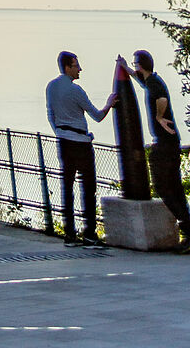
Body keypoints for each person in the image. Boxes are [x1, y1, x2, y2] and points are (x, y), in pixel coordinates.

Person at [133, 49, 190, 250]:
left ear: (140, 65)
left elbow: (161, 99)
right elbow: (142, 82)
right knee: (176, 188)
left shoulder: (154, 83)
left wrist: (159, 117)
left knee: (163, 186)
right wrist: (125, 67)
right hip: (170, 143)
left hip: (163, 144)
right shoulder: (151, 81)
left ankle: (187, 229)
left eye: (135, 64)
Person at [45, 50, 113, 245]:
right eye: (76, 66)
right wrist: (109, 104)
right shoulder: (76, 90)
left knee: (67, 186)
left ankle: (69, 232)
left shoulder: (51, 87)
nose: (80, 69)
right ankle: (89, 233)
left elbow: (50, 114)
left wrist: (59, 132)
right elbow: (97, 116)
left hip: (63, 141)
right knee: (88, 187)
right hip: (81, 143)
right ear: (68, 67)